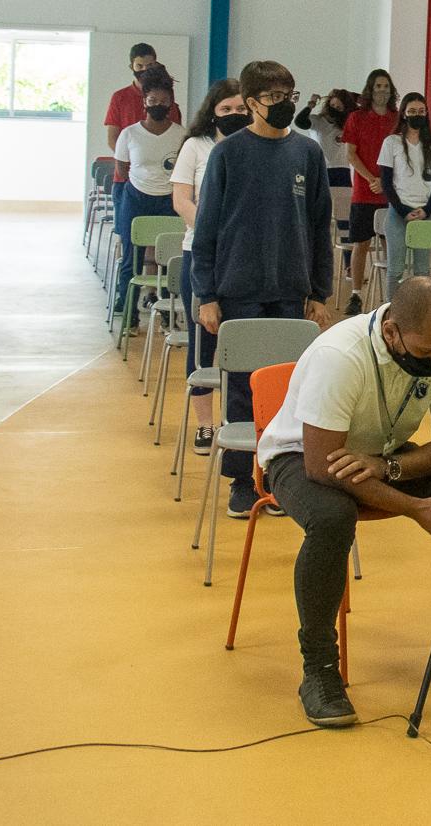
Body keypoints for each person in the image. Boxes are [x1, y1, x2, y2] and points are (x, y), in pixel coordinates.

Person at [254, 277, 431, 726]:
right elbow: (322, 467)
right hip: (298, 457)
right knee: (332, 516)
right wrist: (413, 507)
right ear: (392, 332)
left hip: (381, 455)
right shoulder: (340, 356)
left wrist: (387, 468)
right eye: (426, 354)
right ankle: (319, 668)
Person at [191, 60, 335, 518]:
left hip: (291, 289)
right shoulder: (228, 154)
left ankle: (277, 474)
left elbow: (319, 226)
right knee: (241, 388)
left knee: (289, 387)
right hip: (238, 288)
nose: (286, 105)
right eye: (275, 98)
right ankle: (240, 479)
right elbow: (207, 226)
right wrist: (207, 294)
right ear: (251, 103)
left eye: (290, 95)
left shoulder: (308, 154)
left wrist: (320, 292)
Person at [171, 80, 249, 456]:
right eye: (226, 110)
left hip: (244, 258)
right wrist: (210, 229)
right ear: (212, 113)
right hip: (200, 254)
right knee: (204, 339)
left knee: (245, 343)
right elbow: (181, 199)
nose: (234, 116)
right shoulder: (196, 146)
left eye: (240, 110)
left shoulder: (253, 148)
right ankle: (206, 423)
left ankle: (242, 420)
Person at [109, 65, 186, 327]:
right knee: (132, 259)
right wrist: (144, 181)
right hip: (136, 198)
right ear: (145, 102)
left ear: (172, 103)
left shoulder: (181, 134)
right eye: (153, 101)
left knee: (169, 260)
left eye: (164, 101)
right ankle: (128, 314)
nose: (158, 105)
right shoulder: (129, 133)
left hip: (168, 199)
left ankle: (168, 314)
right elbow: (122, 168)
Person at [377, 91, 431, 295]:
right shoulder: (392, 142)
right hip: (398, 212)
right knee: (395, 270)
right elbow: (386, 182)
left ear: (426, 113)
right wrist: (403, 210)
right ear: (404, 114)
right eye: (412, 111)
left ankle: (419, 314)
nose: (417, 114)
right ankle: (390, 311)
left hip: (425, 212)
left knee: (422, 271)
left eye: (421, 111)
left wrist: (426, 210)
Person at [341, 69, 398, 314]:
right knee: (361, 244)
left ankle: (390, 296)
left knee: (390, 244)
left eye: (386, 86)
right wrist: (372, 178)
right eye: (378, 86)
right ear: (370, 89)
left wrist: (385, 182)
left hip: (391, 193)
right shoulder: (356, 117)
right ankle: (356, 294)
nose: (382, 90)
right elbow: (351, 154)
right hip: (364, 193)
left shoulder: (397, 119)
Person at [297, 88, 358, 245]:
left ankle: (347, 265)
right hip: (320, 172)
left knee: (345, 220)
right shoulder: (317, 121)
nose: (334, 110)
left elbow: (364, 111)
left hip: (342, 173)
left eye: (339, 108)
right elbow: (300, 122)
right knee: (315, 218)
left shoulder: (347, 125)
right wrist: (310, 104)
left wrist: (354, 99)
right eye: (333, 105)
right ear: (327, 103)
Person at [104, 42, 181, 148]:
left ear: (155, 65)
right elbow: (112, 138)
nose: (144, 69)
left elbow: (175, 134)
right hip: (129, 159)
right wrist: (128, 159)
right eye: (139, 66)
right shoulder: (119, 97)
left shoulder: (166, 96)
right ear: (132, 67)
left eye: (149, 65)